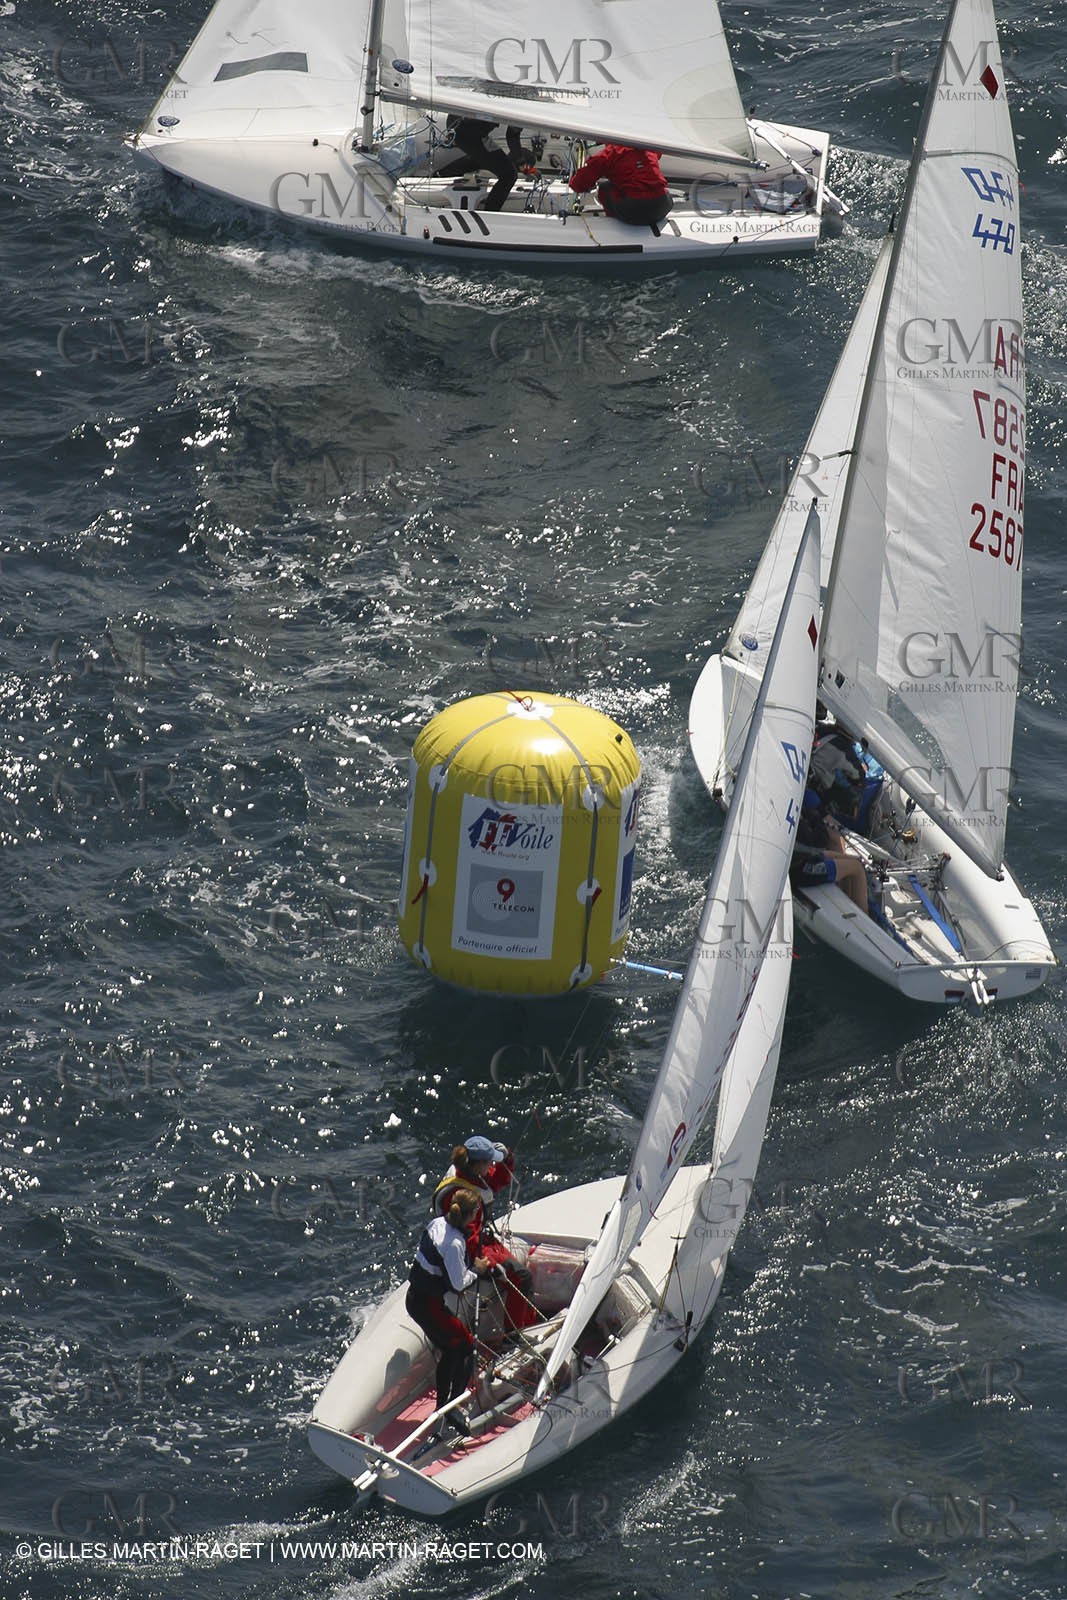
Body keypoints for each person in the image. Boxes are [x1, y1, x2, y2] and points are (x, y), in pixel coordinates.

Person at [405, 1188, 492, 1435]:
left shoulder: (437, 1223)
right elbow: (458, 1284)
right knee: (465, 1346)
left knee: (451, 1348)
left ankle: (444, 1406)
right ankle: (451, 1407)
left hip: (417, 1299)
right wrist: (478, 1270)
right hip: (428, 1306)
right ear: (470, 1215)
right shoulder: (455, 1243)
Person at [433, 1137, 537, 1332]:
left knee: (521, 1276)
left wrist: (507, 1159)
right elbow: (468, 1241)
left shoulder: (469, 1173)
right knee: (522, 1277)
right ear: (478, 1164)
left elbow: (497, 1181)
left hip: (481, 1240)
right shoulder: (462, 1196)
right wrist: (491, 1266)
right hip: (473, 1251)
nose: (492, 1166)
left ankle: (527, 1321)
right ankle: (514, 1334)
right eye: (490, 1162)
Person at [790, 788, 869, 914]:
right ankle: (864, 922)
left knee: (856, 861)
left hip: (801, 858)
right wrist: (816, 820)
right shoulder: (799, 809)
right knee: (857, 868)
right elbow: (817, 846)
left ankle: (849, 906)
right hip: (799, 867)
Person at [436, 118, 528, 211]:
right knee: (509, 175)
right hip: (470, 134)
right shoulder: (522, 111)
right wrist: (523, 164)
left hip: (457, 127)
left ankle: (440, 174)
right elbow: (512, 136)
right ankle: (490, 212)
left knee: (484, 158)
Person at [568, 144, 672, 226]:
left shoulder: (608, 154)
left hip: (633, 209)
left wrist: (572, 182)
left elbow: (579, 183)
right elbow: (657, 154)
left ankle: (613, 224)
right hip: (663, 205)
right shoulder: (647, 147)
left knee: (604, 187)